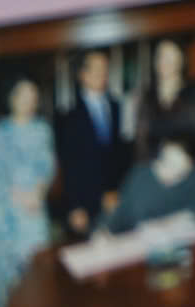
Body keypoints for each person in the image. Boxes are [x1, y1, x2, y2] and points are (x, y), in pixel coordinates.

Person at [0, 79, 58, 307]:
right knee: (6, 279)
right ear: (11, 98)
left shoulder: (43, 130)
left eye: (33, 95)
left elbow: (48, 167)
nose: (29, 100)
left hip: (34, 214)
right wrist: (17, 195)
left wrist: (39, 191)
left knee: (37, 273)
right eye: (24, 94)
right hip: (6, 216)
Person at [57, 48, 132, 235]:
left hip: (118, 200)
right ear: (83, 75)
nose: (102, 73)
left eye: (105, 68)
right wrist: (75, 207)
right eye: (96, 68)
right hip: (86, 204)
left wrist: (118, 191)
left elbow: (125, 155)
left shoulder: (119, 107)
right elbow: (68, 166)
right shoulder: (68, 117)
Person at [108, 137, 195, 233]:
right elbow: (117, 216)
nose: (171, 175)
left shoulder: (194, 177)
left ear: (190, 167)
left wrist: (184, 217)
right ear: (159, 157)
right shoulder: (140, 176)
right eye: (168, 164)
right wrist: (104, 232)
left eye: (179, 172)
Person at [137, 38, 195, 165]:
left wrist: (181, 158)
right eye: (161, 56)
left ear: (181, 60)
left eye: (170, 56)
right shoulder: (147, 96)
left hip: (186, 168)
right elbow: (141, 142)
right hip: (153, 170)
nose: (165, 61)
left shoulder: (194, 93)